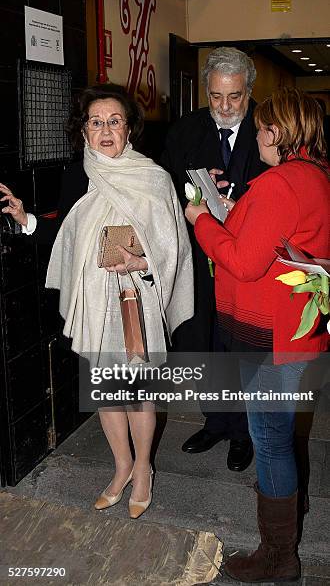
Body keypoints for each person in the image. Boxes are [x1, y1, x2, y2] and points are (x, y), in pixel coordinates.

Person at [0, 84, 194, 519]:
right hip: (93, 297)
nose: (105, 130)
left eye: (114, 121)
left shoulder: (154, 177)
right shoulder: (77, 176)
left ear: (129, 129)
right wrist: (26, 218)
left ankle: (144, 468)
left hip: (136, 295)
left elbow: (174, 247)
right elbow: (66, 237)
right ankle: (121, 466)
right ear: (83, 130)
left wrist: (140, 261)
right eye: (96, 122)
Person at [185, 87, 329, 583]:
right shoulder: (314, 176)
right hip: (296, 330)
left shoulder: (278, 183)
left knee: (269, 441)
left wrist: (203, 220)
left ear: (279, 132)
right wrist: (232, 213)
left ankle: (279, 556)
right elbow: (271, 239)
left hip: (269, 336)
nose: (256, 132)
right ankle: (288, 526)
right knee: (281, 436)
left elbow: (245, 263)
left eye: (263, 126)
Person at [161, 47, 267, 469]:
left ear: (249, 91)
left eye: (235, 97)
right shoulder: (185, 131)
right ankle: (215, 421)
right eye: (216, 96)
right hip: (200, 259)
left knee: (241, 345)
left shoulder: (270, 128)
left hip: (249, 261)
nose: (224, 107)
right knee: (203, 340)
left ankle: (243, 432)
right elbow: (164, 189)